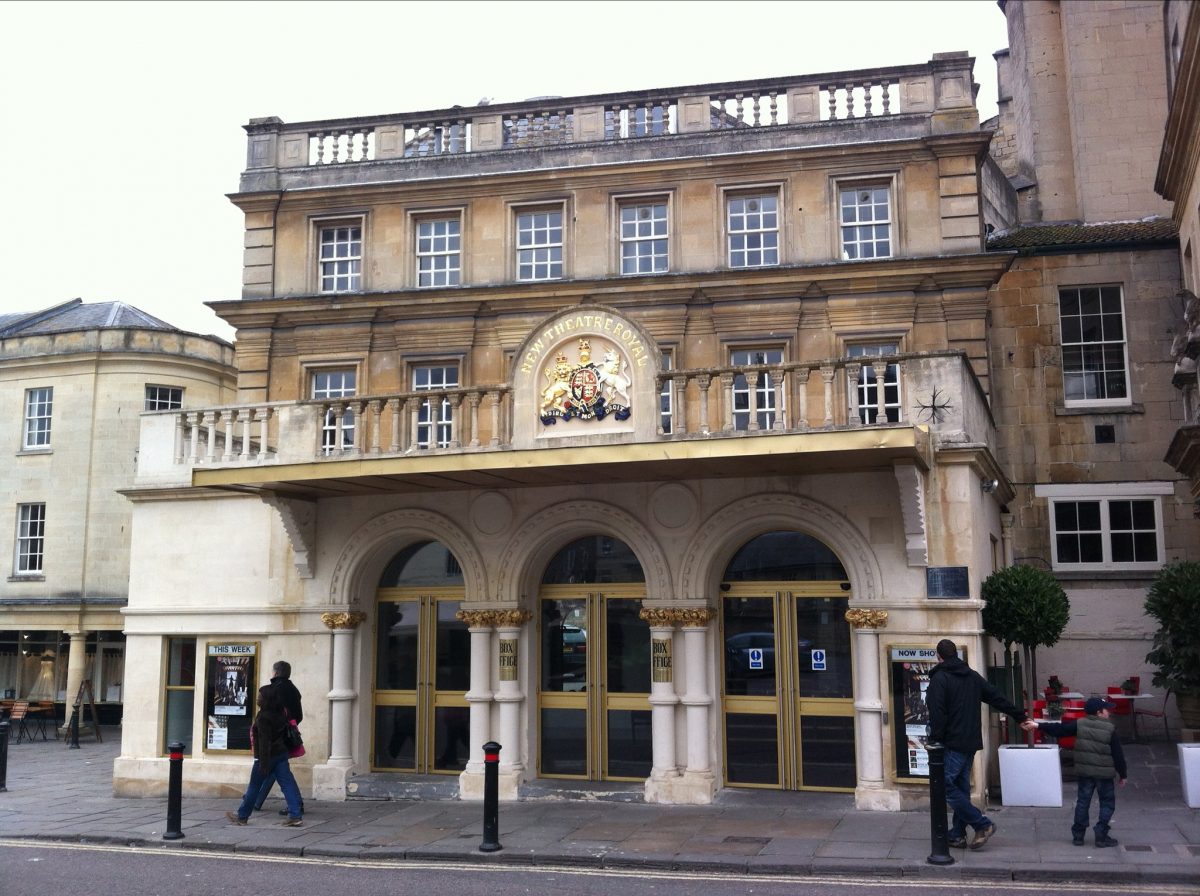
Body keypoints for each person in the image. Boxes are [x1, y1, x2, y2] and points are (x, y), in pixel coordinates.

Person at [925, 638, 1028, 851]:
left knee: (946, 787)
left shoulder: (940, 679)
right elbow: (996, 697)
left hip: (952, 743)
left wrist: (935, 738)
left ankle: (982, 824)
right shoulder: (971, 677)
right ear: (956, 655)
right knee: (961, 788)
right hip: (970, 742)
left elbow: (938, 714)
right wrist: (1020, 716)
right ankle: (957, 835)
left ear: (939, 656)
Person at [1022, 696, 1127, 847]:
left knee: (1083, 802)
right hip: (1104, 774)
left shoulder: (1080, 724)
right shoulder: (1110, 729)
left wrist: (1037, 725)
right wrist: (1122, 774)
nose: (1108, 712)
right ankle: (1101, 833)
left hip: (1085, 772)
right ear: (1099, 712)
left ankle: (1078, 835)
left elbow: (1059, 730)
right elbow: (1118, 755)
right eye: (1106, 710)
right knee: (1107, 803)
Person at [226, 685, 304, 827]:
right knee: (287, 785)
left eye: (260, 696)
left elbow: (264, 742)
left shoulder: (263, 717)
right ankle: (295, 815)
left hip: (267, 756)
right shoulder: (281, 713)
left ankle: (242, 816)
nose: (257, 698)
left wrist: (261, 762)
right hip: (281, 754)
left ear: (267, 698)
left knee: (254, 786)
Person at [254, 661, 304, 816]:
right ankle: (256, 800)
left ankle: (296, 804)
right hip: (287, 734)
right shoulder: (294, 689)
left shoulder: (274, 690)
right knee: (277, 770)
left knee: (277, 770)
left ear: (275, 673)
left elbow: (270, 713)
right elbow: (298, 715)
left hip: (275, 736)